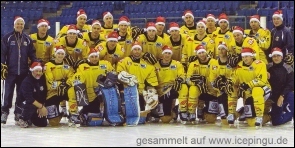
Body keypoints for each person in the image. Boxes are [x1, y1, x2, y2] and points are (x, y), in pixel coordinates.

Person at [1, 16, 37, 125]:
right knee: (7, 93)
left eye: (21, 24)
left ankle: (18, 112)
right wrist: (2, 65)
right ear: (14, 25)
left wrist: (36, 64)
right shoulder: (7, 38)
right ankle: (4, 112)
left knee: (21, 93)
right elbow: (2, 53)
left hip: (23, 71)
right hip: (10, 72)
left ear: (23, 25)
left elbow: (32, 54)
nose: (19, 25)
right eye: (18, 23)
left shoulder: (27, 39)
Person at [67, 48, 115, 126]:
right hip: (87, 95)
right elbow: (77, 79)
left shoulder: (106, 64)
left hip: (102, 93)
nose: (94, 59)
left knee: (95, 113)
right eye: (92, 57)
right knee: (72, 90)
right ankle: (73, 113)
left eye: (96, 56)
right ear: (88, 58)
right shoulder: (83, 66)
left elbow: (113, 75)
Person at [226, 47, 271, 129]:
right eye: (243, 57)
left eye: (247, 56)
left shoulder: (260, 64)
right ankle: (233, 113)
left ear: (252, 56)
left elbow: (261, 80)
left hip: (263, 89)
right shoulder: (239, 65)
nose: (244, 58)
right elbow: (236, 77)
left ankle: (262, 116)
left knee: (256, 90)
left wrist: (247, 85)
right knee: (251, 122)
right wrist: (230, 81)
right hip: (249, 93)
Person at [116, 42, 159, 123]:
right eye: (135, 49)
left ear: (141, 51)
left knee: (142, 118)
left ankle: (150, 113)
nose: (137, 51)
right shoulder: (124, 61)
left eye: (139, 49)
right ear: (132, 51)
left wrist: (151, 93)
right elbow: (120, 74)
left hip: (141, 92)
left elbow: (151, 81)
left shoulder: (147, 64)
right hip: (128, 91)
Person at [154, 45, 187, 123]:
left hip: (173, 88)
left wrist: (179, 80)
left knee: (184, 87)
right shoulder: (156, 65)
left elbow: (182, 75)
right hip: (161, 91)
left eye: (169, 53)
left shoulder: (177, 64)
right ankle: (157, 111)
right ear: (162, 54)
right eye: (165, 53)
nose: (167, 55)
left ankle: (182, 109)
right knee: (165, 119)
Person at [186, 45, 218, 124]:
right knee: (193, 89)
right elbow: (188, 79)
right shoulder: (193, 64)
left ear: (206, 52)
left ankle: (204, 110)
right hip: (199, 90)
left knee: (211, 120)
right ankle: (192, 112)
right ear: (197, 54)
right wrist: (197, 83)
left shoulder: (214, 62)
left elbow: (214, 77)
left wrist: (204, 81)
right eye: (199, 53)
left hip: (212, 91)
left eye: (203, 52)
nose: (202, 54)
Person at [44, 45, 75, 126]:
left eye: (62, 54)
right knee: (53, 123)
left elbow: (72, 77)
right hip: (52, 93)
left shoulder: (67, 66)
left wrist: (66, 84)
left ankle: (74, 113)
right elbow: (50, 82)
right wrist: (61, 84)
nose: (60, 55)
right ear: (55, 54)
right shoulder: (48, 66)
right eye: (59, 53)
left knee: (73, 91)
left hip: (64, 90)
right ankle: (60, 114)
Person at [209, 42, 238, 126]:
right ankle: (235, 113)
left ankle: (236, 113)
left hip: (231, 90)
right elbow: (212, 80)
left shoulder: (232, 62)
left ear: (227, 51)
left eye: (223, 49)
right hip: (220, 91)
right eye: (219, 49)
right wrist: (219, 87)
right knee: (224, 121)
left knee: (230, 117)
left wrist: (228, 84)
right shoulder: (214, 63)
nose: (221, 51)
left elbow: (236, 76)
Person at [267, 47, 294, 126]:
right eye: (274, 56)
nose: (276, 58)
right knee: (276, 122)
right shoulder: (268, 67)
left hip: (286, 94)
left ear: (282, 57)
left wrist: (282, 95)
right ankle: (288, 116)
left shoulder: (288, 67)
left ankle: (290, 111)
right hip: (274, 96)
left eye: (278, 56)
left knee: (292, 96)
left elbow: (291, 83)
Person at [16, 62, 48, 128]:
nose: (38, 73)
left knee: (42, 123)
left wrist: (41, 106)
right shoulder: (27, 81)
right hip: (24, 104)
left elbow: (43, 95)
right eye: (36, 71)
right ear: (32, 71)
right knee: (31, 105)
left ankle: (30, 118)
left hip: (36, 104)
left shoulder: (42, 79)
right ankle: (22, 118)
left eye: (40, 71)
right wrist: (41, 106)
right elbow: (29, 99)